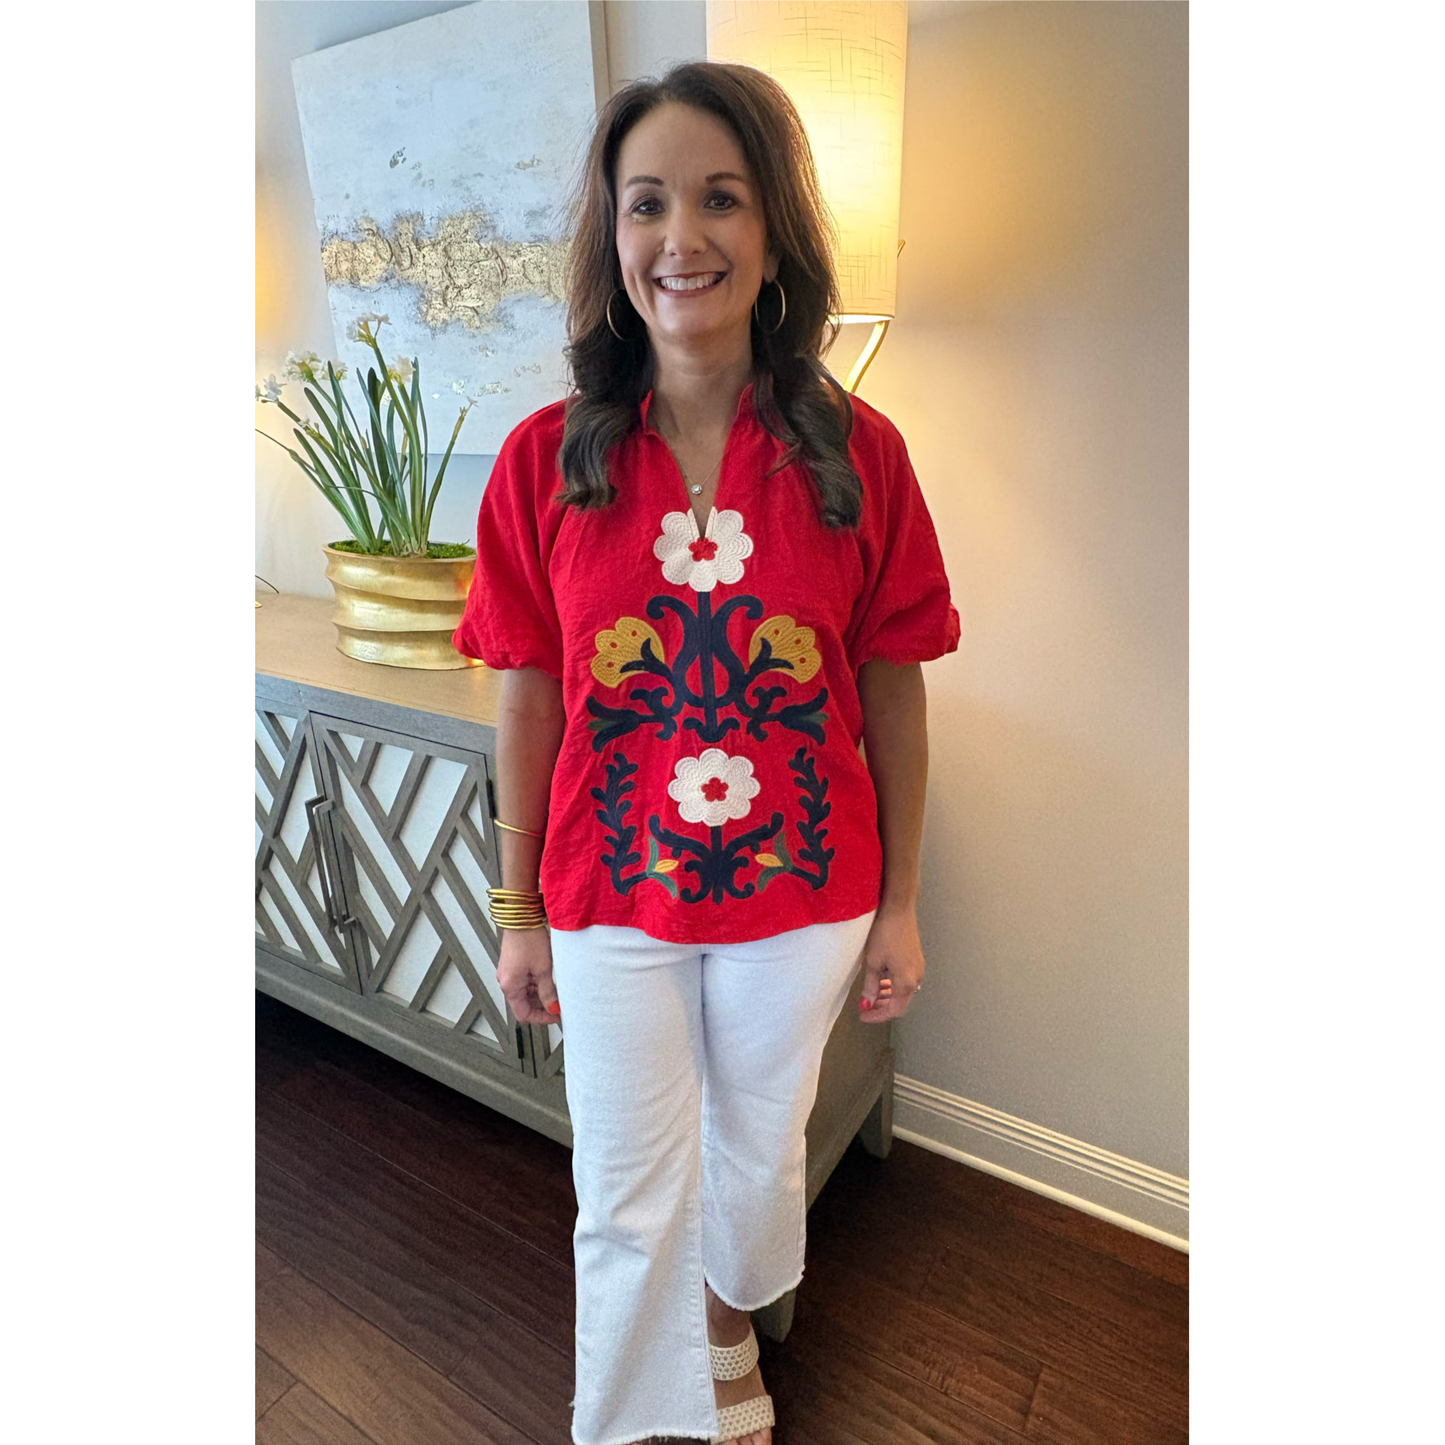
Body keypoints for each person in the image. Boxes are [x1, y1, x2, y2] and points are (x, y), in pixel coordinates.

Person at [452, 60, 960, 1445]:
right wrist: (519, 910)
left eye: (721, 199)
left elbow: (894, 687)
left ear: (775, 228)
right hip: (610, 887)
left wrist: (903, 898)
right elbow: (526, 696)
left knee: (754, 1145)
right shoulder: (546, 463)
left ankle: (727, 1331)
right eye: (648, 204)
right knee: (625, 1182)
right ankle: (628, 1423)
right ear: (613, 241)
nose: (683, 238)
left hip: (806, 888)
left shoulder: (862, 456)